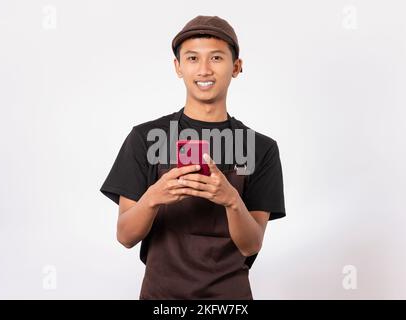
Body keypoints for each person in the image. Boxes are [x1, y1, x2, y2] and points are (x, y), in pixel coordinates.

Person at [100, 15, 286, 299]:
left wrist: (231, 200)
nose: (204, 70)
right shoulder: (146, 137)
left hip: (229, 300)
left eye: (216, 58)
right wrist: (154, 197)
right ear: (178, 67)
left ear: (236, 67)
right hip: (161, 298)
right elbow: (125, 236)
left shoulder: (260, 148)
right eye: (192, 58)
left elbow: (251, 245)